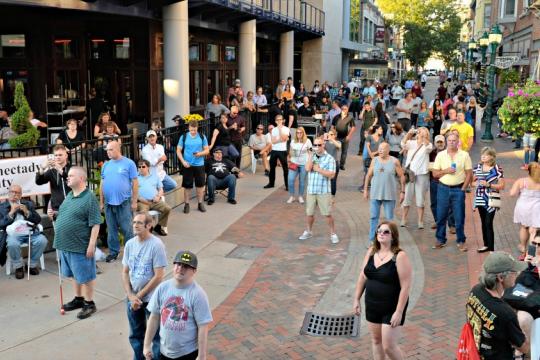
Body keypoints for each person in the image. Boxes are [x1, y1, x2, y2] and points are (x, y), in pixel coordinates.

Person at [353, 221, 412, 360]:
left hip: (391, 307)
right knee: (376, 341)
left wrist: (399, 311)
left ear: (393, 236)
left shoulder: (400, 256)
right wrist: (356, 298)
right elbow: (363, 276)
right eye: (379, 231)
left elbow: (406, 286)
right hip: (372, 304)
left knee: (388, 346)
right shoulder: (371, 251)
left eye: (386, 232)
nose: (381, 234)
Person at [143, 250, 212, 360]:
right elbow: (154, 317)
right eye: (178, 264)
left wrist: (202, 356)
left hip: (187, 353)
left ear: (194, 271)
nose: (180, 268)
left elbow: (202, 326)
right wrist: (146, 345)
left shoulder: (198, 294)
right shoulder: (162, 288)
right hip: (163, 352)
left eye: (185, 266)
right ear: (174, 266)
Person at [53, 167, 102, 318]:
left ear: (81, 179)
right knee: (75, 274)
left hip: (80, 245)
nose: (67, 178)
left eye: (71, 176)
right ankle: (79, 298)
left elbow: (95, 223)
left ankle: (89, 303)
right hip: (65, 245)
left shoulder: (89, 198)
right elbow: (66, 214)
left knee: (86, 276)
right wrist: (54, 214)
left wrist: (92, 244)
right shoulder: (69, 195)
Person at [466, 251, 529, 359]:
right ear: (501, 277)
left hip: (476, 351)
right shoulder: (504, 312)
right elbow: (524, 348)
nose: (517, 274)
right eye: (514, 272)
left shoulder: (475, 290)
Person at [122, 211, 167, 360]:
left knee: (155, 336)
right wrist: (130, 296)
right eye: (134, 222)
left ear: (149, 225)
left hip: (151, 299)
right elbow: (125, 272)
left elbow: (159, 276)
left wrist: (138, 297)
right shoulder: (129, 244)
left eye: (139, 223)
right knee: (135, 334)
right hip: (132, 297)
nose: (135, 225)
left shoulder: (156, 245)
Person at [431, 133, 472, 251]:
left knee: (459, 217)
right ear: (446, 141)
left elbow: (469, 173)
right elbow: (434, 174)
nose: (451, 142)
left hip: (458, 189)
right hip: (443, 188)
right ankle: (440, 239)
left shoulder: (464, 155)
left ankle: (461, 240)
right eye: (449, 140)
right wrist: (446, 171)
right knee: (441, 216)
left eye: (454, 140)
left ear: (458, 141)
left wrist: (463, 188)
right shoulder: (440, 155)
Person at [100, 141, 138, 262]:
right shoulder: (106, 165)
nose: (108, 152)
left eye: (110, 150)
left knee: (127, 229)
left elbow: (135, 183)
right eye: (107, 150)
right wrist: (101, 201)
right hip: (108, 203)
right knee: (111, 230)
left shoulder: (129, 163)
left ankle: (130, 254)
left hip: (124, 202)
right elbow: (102, 183)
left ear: (117, 149)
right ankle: (113, 252)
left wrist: (134, 201)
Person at [0, 184, 48, 280]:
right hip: (13, 234)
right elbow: (1, 224)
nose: (14, 194)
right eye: (12, 192)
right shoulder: (2, 207)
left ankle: (32, 265)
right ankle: (18, 267)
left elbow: (37, 219)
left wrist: (27, 212)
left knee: (42, 240)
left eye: (17, 192)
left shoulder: (28, 204)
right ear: (8, 193)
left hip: (29, 232)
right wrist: (11, 213)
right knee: (12, 243)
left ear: (21, 195)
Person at [298, 136, 339, 244]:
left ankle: (333, 233)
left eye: (319, 145)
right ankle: (308, 231)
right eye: (314, 145)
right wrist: (311, 156)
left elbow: (332, 175)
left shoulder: (329, 158)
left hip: (324, 190)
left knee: (327, 214)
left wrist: (319, 170)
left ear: (323, 145)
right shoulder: (312, 156)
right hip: (311, 189)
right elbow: (307, 168)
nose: (316, 147)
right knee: (309, 213)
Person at [364, 143, 406, 243]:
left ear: (388, 150)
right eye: (379, 149)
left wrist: (402, 191)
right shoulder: (374, 160)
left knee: (389, 219)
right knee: (374, 217)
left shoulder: (394, 161)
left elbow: (402, 176)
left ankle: (390, 241)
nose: (380, 151)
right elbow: (368, 175)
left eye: (383, 149)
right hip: (375, 194)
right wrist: (365, 190)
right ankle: (372, 240)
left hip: (389, 195)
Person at [472, 147, 505, 253]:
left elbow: (502, 185)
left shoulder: (497, 169)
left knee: (488, 222)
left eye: (485, 154)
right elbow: (471, 183)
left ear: (491, 156)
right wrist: (476, 184)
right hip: (480, 198)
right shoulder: (477, 167)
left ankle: (491, 248)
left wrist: (489, 184)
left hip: (491, 198)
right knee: (483, 222)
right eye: (482, 154)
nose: (483, 156)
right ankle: (486, 245)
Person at [400, 127, 433, 229]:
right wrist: (408, 133)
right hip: (411, 174)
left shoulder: (428, 144)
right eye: (419, 132)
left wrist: (423, 138)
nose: (420, 134)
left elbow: (429, 148)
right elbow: (403, 144)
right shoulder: (411, 143)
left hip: (422, 174)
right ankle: (404, 218)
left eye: (423, 133)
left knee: (420, 199)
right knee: (407, 197)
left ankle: (420, 221)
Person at [176, 120, 209, 214]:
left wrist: (200, 154)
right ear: (189, 128)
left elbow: (207, 150)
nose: (193, 132)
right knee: (187, 186)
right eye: (191, 130)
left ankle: (200, 203)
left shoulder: (202, 137)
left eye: (194, 130)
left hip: (199, 165)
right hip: (187, 165)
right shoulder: (184, 137)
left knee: (200, 185)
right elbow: (178, 151)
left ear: (197, 128)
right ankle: (186, 204)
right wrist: (183, 162)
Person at [35, 144, 71, 220]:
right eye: (56, 155)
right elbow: (38, 181)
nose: (58, 157)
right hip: (56, 209)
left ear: (66, 155)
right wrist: (42, 168)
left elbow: (70, 180)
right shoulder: (51, 171)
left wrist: (60, 170)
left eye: (60, 155)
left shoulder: (72, 168)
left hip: (72, 207)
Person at [511, 162, 540, 253]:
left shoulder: (521, 181)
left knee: (524, 227)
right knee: (534, 230)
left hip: (523, 207)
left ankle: (523, 246)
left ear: (528, 171)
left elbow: (512, 194)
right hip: (537, 208)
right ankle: (533, 250)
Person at [137, 159, 171, 236]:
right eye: (139, 167)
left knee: (167, 209)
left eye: (143, 167)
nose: (141, 168)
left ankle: (159, 226)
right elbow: (133, 193)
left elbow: (161, 189)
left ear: (148, 167)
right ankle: (149, 228)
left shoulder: (155, 177)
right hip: (142, 202)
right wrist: (140, 199)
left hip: (155, 201)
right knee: (143, 213)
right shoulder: (135, 178)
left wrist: (158, 196)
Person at [264, 115, 290, 190]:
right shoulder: (273, 130)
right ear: (275, 121)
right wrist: (280, 139)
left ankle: (287, 185)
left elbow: (284, 138)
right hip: (274, 151)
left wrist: (279, 130)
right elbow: (273, 141)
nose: (279, 121)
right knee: (272, 168)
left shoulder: (286, 129)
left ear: (283, 120)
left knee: (285, 168)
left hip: (282, 151)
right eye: (277, 120)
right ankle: (271, 183)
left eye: (280, 120)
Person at [287, 127, 312, 204]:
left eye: (300, 132)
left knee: (302, 181)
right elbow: (290, 152)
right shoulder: (293, 141)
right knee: (290, 180)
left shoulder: (307, 141)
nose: (299, 134)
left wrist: (309, 162)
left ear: (303, 133)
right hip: (294, 163)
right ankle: (292, 196)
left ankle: (300, 196)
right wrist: (290, 156)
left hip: (304, 163)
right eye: (297, 132)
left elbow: (310, 152)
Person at [428, 135, 447, 229]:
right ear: (435, 143)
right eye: (438, 142)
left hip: (446, 181)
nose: (440, 144)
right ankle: (437, 221)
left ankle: (451, 224)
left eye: (441, 142)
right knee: (434, 202)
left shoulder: (448, 153)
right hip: (434, 181)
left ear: (444, 143)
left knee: (448, 203)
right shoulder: (431, 153)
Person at [331, 104, 355, 170]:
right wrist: (333, 133)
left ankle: (342, 165)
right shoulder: (336, 117)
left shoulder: (350, 118)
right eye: (342, 109)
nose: (344, 110)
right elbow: (332, 126)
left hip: (345, 138)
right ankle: (333, 164)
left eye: (345, 109)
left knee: (344, 152)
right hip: (336, 137)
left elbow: (353, 127)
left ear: (347, 110)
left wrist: (349, 136)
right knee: (334, 151)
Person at [324, 130, 342, 197]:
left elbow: (339, 146)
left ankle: (332, 196)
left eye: (331, 134)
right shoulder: (325, 142)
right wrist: (323, 139)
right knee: (324, 179)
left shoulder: (337, 142)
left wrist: (332, 139)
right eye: (329, 134)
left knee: (333, 180)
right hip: (326, 163)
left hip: (334, 163)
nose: (330, 136)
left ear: (335, 135)